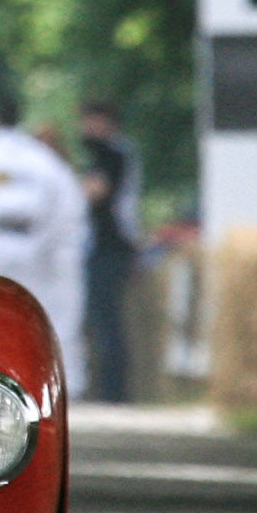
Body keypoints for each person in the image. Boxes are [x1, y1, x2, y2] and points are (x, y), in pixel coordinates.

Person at [0, 91, 88, 372]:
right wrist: (46, 246)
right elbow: (66, 204)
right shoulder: (39, 156)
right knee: (30, 312)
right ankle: (30, 372)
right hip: (27, 243)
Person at [75, 99, 144, 403]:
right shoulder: (109, 153)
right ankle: (109, 390)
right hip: (104, 246)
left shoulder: (111, 154)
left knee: (107, 322)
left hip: (109, 246)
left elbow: (95, 193)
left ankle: (113, 392)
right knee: (105, 320)